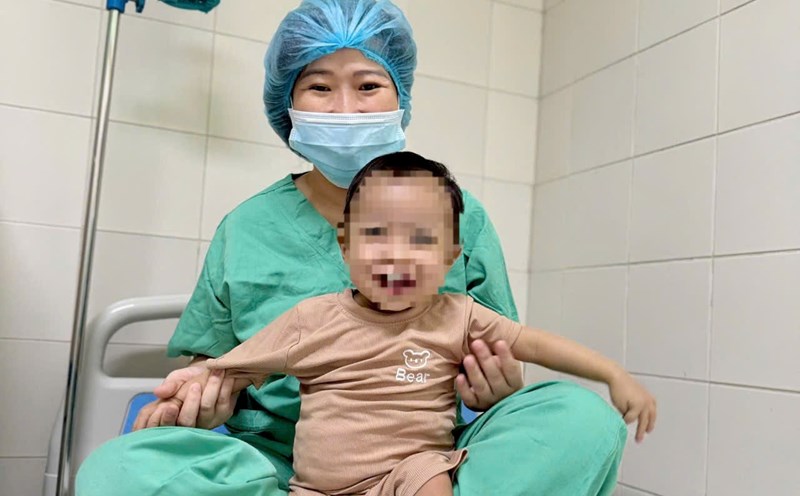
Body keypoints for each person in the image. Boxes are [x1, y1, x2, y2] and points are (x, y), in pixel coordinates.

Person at [76, 1, 631, 495]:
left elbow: (502, 356)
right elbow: (216, 365)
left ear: (400, 95)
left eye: (368, 85)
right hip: (275, 464)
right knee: (118, 471)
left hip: (427, 464)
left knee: (583, 422)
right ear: (287, 103)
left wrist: (496, 389)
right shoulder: (245, 229)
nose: (346, 109)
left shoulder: (467, 217)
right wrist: (206, 396)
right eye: (319, 87)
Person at [166, 151, 656, 496]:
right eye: (377, 234)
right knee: (131, 467)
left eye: (420, 240)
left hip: (410, 474)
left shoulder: (457, 314)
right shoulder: (313, 320)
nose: (397, 254)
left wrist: (611, 373)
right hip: (315, 484)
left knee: (435, 476)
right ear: (345, 246)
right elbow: (232, 366)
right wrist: (192, 385)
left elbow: (534, 343)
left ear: (449, 258)